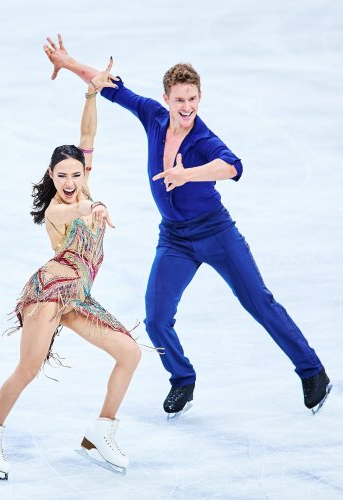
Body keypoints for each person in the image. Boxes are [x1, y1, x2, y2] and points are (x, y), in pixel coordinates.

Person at [43, 35, 331, 419]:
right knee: (157, 317)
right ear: (166, 99)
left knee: (258, 301)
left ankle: (312, 371)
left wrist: (187, 174)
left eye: (193, 99)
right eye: (179, 99)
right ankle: (182, 378)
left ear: (199, 99)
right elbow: (109, 87)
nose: (187, 106)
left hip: (215, 232)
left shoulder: (203, 139)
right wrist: (69, 61)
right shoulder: (153, 116)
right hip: (174, 238)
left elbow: (233, 167)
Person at [0, 60, 141, 480]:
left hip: (77, 296)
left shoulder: (83, 180)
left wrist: (91, 92)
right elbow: (79, 209)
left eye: (75, 174)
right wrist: (93, 206)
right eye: (61, 174)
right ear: (51, 175)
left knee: (129, 353)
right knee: (29, 367)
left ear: (83, 173)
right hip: (49, 292)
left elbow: (87, 136)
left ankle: (100, 431)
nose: (68, 180)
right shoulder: (60, 209)